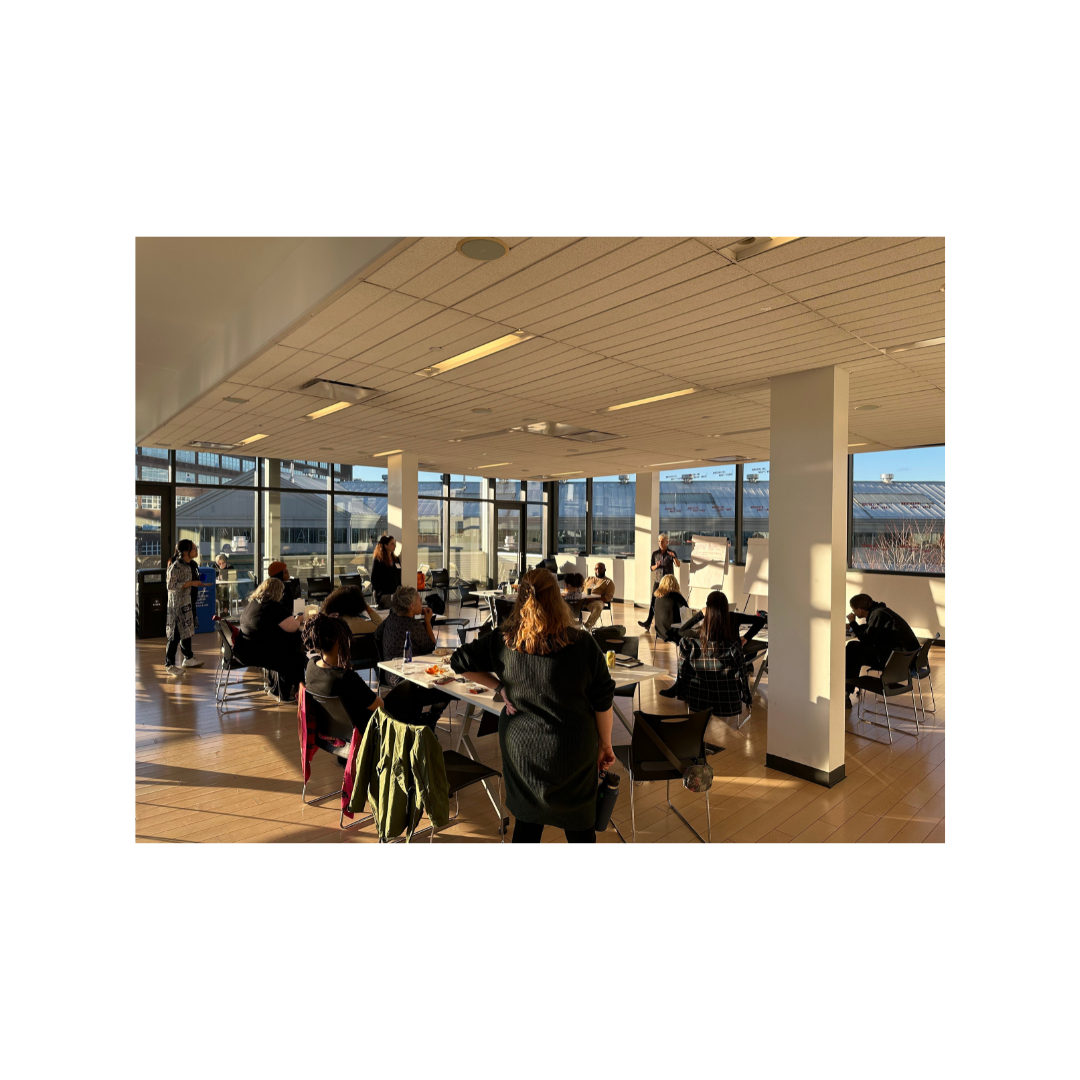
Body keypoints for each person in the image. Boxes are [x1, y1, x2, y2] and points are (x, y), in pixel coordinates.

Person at [449, 567, 616, 844]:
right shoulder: (583, 645)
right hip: (571, 750)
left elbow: (459, 661)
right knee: (579, 827)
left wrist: (499, 687)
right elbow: (603, 700)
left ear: (520, 599)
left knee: (527, 823)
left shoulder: (504, 641)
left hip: (522, 748)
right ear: (558, 599)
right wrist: (605, 745)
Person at [659, 591, 752, 721]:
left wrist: (700, 615)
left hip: (698, 697)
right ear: (726, 610)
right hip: (726, 700)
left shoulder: (690, 641)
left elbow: (681, 631)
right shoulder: (732, 646)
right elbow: (742, 673)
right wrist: (747, 697)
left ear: (707, 609)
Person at [302, 613, 384, 728]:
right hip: (361, 730)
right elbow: (379, 705)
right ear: (337, 641)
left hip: (331, 729)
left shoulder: (312, 666)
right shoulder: (345, 677)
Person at [845, 593, 920, 709]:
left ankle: (846, 693)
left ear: (860, 610)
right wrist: (855, 627)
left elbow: (867, 639)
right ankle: (847, 690)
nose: (853, 612)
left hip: (896, 663)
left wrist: (853, 622)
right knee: (855, 651)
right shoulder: (881, 611)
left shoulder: (878, 614)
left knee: (852, 648)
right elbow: (872, 629)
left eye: (853, 610)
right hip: (905, 659)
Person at [239, 577, 307, 702]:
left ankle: (275, 686)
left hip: (246, 649)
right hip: (262, 653)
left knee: (288, 648)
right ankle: (286, 693)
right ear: (277, 592)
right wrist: (299, 619)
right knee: (296, 656)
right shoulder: (274, 607)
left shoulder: (252, 604)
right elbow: (293, 627)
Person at [677, 593, 766, 667]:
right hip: (733, 664)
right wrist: (746, 637)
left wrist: (700, 614)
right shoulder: (734, 617)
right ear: (725, 605)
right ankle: (749, 668)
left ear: (707, 607)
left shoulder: (703, 630)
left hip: (710, 667)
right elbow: (761, 620)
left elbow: (681, 631)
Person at [375, 586, 437, 689]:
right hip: (408, 678)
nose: (422, 604)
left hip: (389, 673)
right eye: (420, 601)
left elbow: (377, 635)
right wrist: (427, 621)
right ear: (412, 606)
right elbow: (431, 646)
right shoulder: (414, 625)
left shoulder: (390, 619)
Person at [164, 539, 204, 676]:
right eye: (193, 548)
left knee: (186, 632)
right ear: (186, 551)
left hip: (187, 603)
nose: (196, 550)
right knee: (174, 635)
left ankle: (188, 658)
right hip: (177, 605)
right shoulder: (175, 566)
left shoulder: (190, 565)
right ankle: (169, 664)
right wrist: (191, 583)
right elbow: (171, 586)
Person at [639, 533, 681, 630]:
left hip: (668, 583)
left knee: (669, 602)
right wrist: (656, 566)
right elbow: (651, 568)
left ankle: (670, 624)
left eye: (662, 541)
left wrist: (674, 557)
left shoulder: (671, 553)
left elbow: (678, 565)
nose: (660, 543)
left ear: (667, 542)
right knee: (653, 601)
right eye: (659, 541)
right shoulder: (655, 554)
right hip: (658, 581)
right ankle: (648, 622)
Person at [652, 574, 691, 643]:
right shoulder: (676, 596)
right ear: (675, 584)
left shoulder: (657, 598)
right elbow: (687, 613)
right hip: (672, 632)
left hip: (660, 631)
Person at [370, 534, 402, 608]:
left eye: (395, 543)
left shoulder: (395, 559)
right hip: (383, 594)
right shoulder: (378, 560)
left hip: (394, 593)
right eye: (392, 544)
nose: (395, 546)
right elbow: (373, 578)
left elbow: (398, 574)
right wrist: (378, 592)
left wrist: (399, 586)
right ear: (386, 546)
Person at [582, 561, 615, 630]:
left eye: (601, 568)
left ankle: (587, 626)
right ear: (594, 569)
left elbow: (608, 597)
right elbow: (580, 589)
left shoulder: (608, 582)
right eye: (596, 568)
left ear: (605, 570)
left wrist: (594, 599)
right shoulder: (589, 579)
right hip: (583, 600)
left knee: (598, 606)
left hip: (596, 601)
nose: (598, 570)